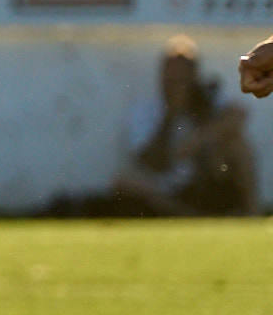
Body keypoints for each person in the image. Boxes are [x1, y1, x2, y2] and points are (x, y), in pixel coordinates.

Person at [55, 36, 256, 217]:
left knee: (238, 145)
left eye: (183, 80)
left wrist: (198, 138)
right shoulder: (145, 112)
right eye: (172, 80)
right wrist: (170, 116)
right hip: (167, 190)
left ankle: (251, 215)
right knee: (124, 181)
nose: (177, 87)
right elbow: (149, 162)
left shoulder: (208, 101)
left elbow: (239, 116)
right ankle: (190, 217)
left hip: (204, 181)